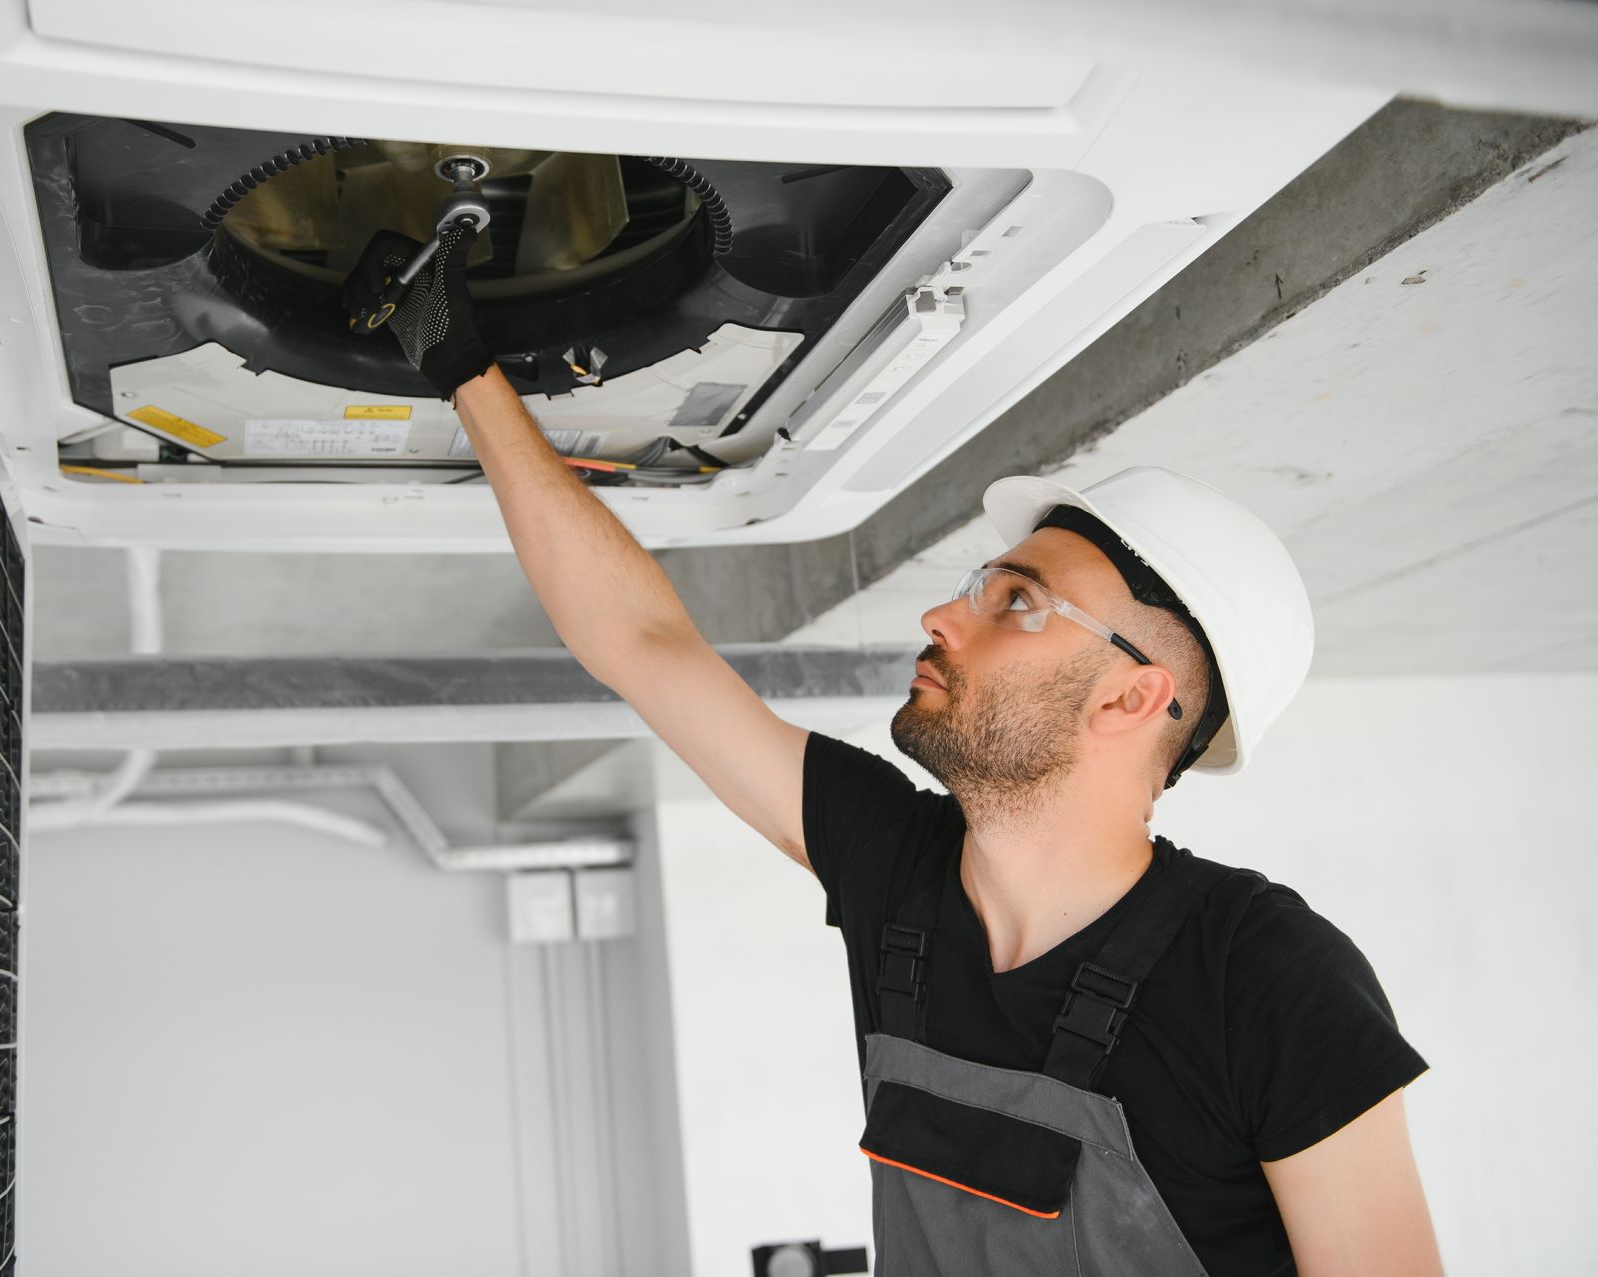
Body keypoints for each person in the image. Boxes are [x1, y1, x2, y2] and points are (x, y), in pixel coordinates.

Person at [346, 225, 1444, 1275]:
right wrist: (463, 368)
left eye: (1016, 601)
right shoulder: (899, 868)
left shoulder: (1264, 977)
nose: (938, 615)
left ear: (1130, 696)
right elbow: (643, 644)